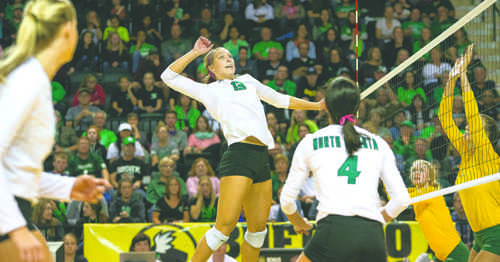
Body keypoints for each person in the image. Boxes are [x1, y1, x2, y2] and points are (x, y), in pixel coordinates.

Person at [161, 36, 323, 262]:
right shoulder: (208, 90)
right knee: (222, 230)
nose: (228, 59)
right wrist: (195, 52)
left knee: (258, 232)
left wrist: (315, 106)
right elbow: (167, 76)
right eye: (221, 57)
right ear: (210, 68)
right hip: (238, 155)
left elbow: (279, 99)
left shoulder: (248, 80)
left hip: (261, 158)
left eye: (230, 56)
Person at [0, 0, 108, 262]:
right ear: (68, 30)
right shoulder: (28, 81)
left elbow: (16, 168)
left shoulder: (34, 79)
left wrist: (68, 188)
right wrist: (15, 229)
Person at [280, 77, 410, 262]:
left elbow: (286, 201)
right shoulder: (379, 143)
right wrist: (373, 220)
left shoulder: (310, 142)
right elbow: (402, 200)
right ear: (357, 107)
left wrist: (298, 222)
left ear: (325, 106)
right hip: (373, 237)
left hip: (332, 231)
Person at [439, 44, 500, 262]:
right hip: (480, 236)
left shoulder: (488, 156)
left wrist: (464, 75)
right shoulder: (466, 153)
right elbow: (444, 117)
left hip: (497, 233)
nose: (467, 127)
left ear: (484, 135)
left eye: (474, 128)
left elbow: (472, 114)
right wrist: (452, 79)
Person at [409, 160, 469, 262]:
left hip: (455, 253)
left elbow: (403, 198)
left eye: (421, 170)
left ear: (429, 177)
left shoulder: (431, 192)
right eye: (414, 170)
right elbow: (399, 196)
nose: (417, 173)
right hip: (441, 256)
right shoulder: (417, 196)